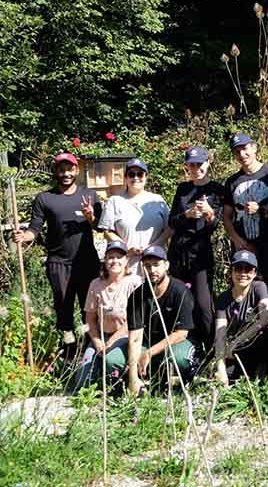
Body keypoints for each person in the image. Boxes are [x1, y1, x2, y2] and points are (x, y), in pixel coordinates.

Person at [10, 152, 101, 360]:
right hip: (58, 263)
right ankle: (68, 353)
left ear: (76, 170)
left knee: (91, 309)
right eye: (61, 169)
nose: (66, 173)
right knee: (64, 309)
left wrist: (90, 217)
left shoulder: (89, 196)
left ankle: (90, 351)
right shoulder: (45, 198)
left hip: (86, 262)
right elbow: (35, 228)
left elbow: (100, 226)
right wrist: (24, 236)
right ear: (56, 171)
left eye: (70, 169)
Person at [221, 133, 268, 327]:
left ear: (255, 148)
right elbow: (226, 215)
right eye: (237, 151)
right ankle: (243, 334)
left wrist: (263, 209)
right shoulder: (232, 181)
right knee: (243, 291)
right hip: (243, 246)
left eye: (245, 148)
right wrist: (237, 240)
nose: (242, 154)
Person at [168, 146, 225, 348]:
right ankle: (181, 346)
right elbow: (172, 222)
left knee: (203, 304)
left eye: (199, 164)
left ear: (207, 164)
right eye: (191, 165)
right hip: (178, 251)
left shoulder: (217, 189)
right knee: (179, 300)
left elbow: (217, 224)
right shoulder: (182, 189)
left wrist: (209, 213)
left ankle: (211, 350)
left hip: (200, 251)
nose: (195, 168)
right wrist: (187, 215)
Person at [70, 241, 142, 393]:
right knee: (81, 384)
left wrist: (111, 341)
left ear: (126, 260)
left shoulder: (134, 282)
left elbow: (134, 320)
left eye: (119, 257)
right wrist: (97, 342)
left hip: (125, 336)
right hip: (101, 336)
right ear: (105, 261)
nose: (114, 261)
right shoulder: (96, 284)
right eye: (110, 257)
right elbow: (89, 318)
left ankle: (123, 384)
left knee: (111, 360)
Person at [127, 246, 199, 394]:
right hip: (147, 342)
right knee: (114, 360)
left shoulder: (180, 291)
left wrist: (149, 353)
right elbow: (135, 336)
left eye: (156, 265)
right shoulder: (137, 296)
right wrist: (132, 377)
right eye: (147, 266)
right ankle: (135, 381)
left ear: (166, 265)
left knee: (179, 358)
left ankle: (174, 379)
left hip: (175, 343)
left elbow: (181, 333)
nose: (152, 270)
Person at [213, 250, 268, 385]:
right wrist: (220, 367)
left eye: (248, 269)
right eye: (238, 268)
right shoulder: (223, 298)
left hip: (263, 339)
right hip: (243, 347)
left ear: (254, 273)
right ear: (231, 271)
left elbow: (264, 319)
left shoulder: (259, 287)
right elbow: (220, 335)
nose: (243, 273)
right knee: (228, 375)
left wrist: (236, 341)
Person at [98, 158, 171, 276]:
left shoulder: (157, 200)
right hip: (126, 264)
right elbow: (107, 232)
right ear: (126, 178)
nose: (136, 178)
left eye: (140, 174)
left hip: (154, 264)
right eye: (131, 174)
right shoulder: (114, 201)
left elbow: (169, 228)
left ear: (146, 177)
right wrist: (125, 248)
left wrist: (153, 246)